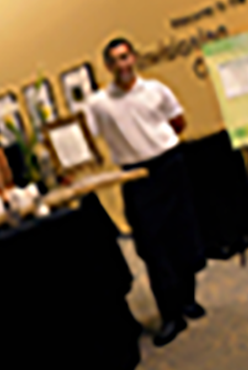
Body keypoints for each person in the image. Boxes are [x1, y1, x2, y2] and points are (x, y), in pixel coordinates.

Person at [82, 36, 206, 348]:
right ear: (108, 67)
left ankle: (187, 299)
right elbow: (86, 138)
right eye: (115, 60)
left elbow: (178, 121)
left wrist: (156, 143)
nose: (122, 65)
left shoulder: (156, 90)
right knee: (152, 247)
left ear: (134, 58)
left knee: (183, 236)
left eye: (126, 57)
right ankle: (170, 315)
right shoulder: (99, 104)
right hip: (137, 176)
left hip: (170, 167)